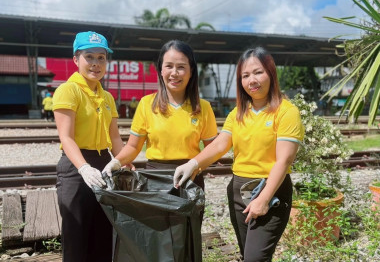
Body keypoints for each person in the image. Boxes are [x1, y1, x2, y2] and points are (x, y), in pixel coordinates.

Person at [173, 47, 304, 261]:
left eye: (258, 72)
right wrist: (193, 163)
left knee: (255, 257)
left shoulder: (286, 112)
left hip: (270, 192)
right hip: (238, 192)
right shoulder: (238, 113)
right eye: (245, 75)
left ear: (271, 73)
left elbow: (284, 160)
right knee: (247, 254)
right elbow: (219, 145)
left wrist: (263, 199)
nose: (252, 80)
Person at [102, 39, 218, 208]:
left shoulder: (203, 107)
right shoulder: (146, 104)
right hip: (156, 180)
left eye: (181, 67)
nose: (175, 73)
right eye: (169, 66)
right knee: (158, 233)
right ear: (161, 70)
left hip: (190, 180)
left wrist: (195, 166)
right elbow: (134, 147)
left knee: (189, 233)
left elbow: (212, 150)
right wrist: (117, 162)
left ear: (191, 70)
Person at [52, 31, 125, 262]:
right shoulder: (68, 90)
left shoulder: (107, 97)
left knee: (103, 234)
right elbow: (67, 137)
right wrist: (84, 168)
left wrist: (125, 161)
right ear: (76, 60)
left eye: (101, 58)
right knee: (77, 237)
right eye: (89, 57)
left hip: (104, 165)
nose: (95, 63)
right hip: (76, 167)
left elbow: (115, 137)